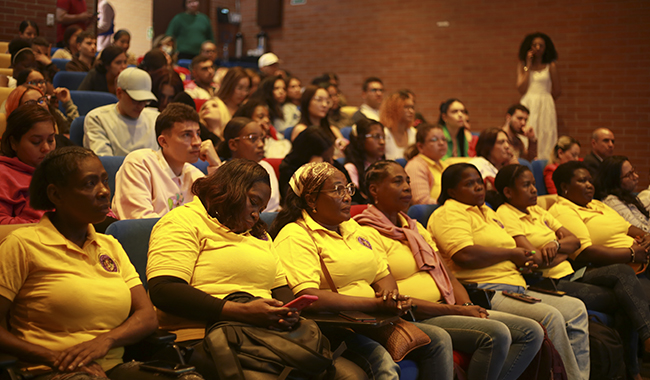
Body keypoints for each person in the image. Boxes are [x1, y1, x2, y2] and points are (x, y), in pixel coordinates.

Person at [146, 159, 367, 379]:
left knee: (351, 375)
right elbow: (164, 290)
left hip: (263, 334)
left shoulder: (260, 235)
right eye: (253, 202)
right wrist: (242, 312)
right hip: (205, 336)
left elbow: (281, 289)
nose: (256, 215)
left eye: (261, 209)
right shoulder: (182, 221)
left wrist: (285, 312)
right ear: (229, 191)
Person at [0, 146, 181, 380]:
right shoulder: (22, 245)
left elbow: (146, 316)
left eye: (105, 181)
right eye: (89, 184)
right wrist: (54, 358)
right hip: (50, 370)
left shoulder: (110, 245)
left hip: (114, 367)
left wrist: (106, 341)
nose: (104, 191)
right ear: (56, 194)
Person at [356, 160, 544, 380]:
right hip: (415, 315)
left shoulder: (414, 227)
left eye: (408, 181)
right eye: (398, 182)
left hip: (445, 306)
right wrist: (458, 311)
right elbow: (394, 299)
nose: (408, 187)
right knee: (497, 333)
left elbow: (448, 275)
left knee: (531, 332)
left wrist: (466, 305)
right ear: (374, 190)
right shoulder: (366, 233)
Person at [270, 161, 441, 380]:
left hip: (374, 320)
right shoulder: (295, 235)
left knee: (437, 340)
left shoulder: (352, 227)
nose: (347, 197)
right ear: (311, 199)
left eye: (348, 189)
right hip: (337, 326)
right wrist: (375, 304)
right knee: (382, 362)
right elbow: (308, 296)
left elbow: (383, 274)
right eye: (337, 190)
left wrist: (390, 297)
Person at [429, 163, 590, 380]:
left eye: (479, 181)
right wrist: (511, 254)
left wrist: (522, 261)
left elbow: (514, 251)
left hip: (516, 285)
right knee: (550, 316)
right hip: (486, 290)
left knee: (576, 308)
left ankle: (579, 376)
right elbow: (464, 255)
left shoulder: (488, 211)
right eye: (469, 184)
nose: (478, 187)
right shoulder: (448, 213)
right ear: (451, 191)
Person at [495, 163, 650, 379]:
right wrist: (560, 249)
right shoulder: (506, 214)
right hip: (548, 282)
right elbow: (535, 258)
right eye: (526, 185)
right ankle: (635, 365)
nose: (533, 190)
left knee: (623, 275)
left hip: (572, 274)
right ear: (508, 192)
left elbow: (574, 242)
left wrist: (557, 247)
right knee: (626, 296)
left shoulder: (537, 210)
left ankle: (636, 359)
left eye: (533, 184)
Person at [112, 103, 219, 220]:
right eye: (187, 135)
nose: (197, 142)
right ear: (163, 142)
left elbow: (220, 216)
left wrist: (216, 165)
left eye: (198, 133)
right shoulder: (139, 163)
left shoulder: (194, 175)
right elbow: (140, 224)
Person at [84, 67, 159, 156]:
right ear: (119, 93)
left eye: (145, 100)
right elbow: (105, 163)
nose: (141, 105)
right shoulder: (97, 119)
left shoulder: (155, 119)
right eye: (135, 99)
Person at [0, 103, 55, 224]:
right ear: (13, 143)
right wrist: (36, 220)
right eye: (36, 142)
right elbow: (1, 225)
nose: (46, 148)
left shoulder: (60, 168)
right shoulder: (3, 175)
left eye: (51, 140)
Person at [216, 117, 280, 212]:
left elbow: (273, 206)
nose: (261, 144)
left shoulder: (266, 166)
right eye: (253, 139)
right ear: (233, 144)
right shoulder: (222, 172)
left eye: (262, 138)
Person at [517, 32, 561, 161]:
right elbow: (521, 88)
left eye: (541, 45)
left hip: (545, 102)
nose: (537, 48)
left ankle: (545, 163)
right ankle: (527, 159)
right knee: (528, 131)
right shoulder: (523, 66)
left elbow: (557, 90)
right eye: (534, 45)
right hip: (528, 102)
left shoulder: (550, 66)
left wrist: (546, 100)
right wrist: (528, 66)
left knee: (546, 133)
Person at [278, 127, 341, 203]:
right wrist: (310, 171)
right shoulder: (289, 170)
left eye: (332, 157)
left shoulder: (335, 165)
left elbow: (356, 198)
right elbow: (293, 203)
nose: (331, 162)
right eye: (326, 160)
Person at [10, 75, 79, 136]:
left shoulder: (52, 112)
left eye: (41, 100)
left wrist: (67, 103)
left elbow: (73, 129)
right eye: (31, 103)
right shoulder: (16, 135)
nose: (39, 105)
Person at [595, 156, 649, 232]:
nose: (636, 176)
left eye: (633, 171)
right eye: (629, 175)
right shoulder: (612, 202)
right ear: (615, 181)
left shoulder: (627, 197)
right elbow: (641, 231)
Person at [290, 86, 344, 157]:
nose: (325, 105)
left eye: (327, 101)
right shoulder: (301, 130)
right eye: (319, 100)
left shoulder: (333, 130)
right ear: (307, 101)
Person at [344, 118, 386, 204]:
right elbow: (355, 199)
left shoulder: (386, 165)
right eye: (375, 137)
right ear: (360, 139)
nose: (382, 142)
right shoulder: (351, 168)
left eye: (383, 137)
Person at [404, 123, 448, 204]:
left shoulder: (445, 165)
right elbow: (421, 201)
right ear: (420, 146)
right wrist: (449, 205)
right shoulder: (416, 166)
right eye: (434, 140)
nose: (441, 143)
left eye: (444, 139)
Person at [379, 90, 416, 160]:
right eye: (406, 107)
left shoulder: (413, 133)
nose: (411, 111)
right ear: (393, 109)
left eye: (412, 108)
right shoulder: (384, 134)